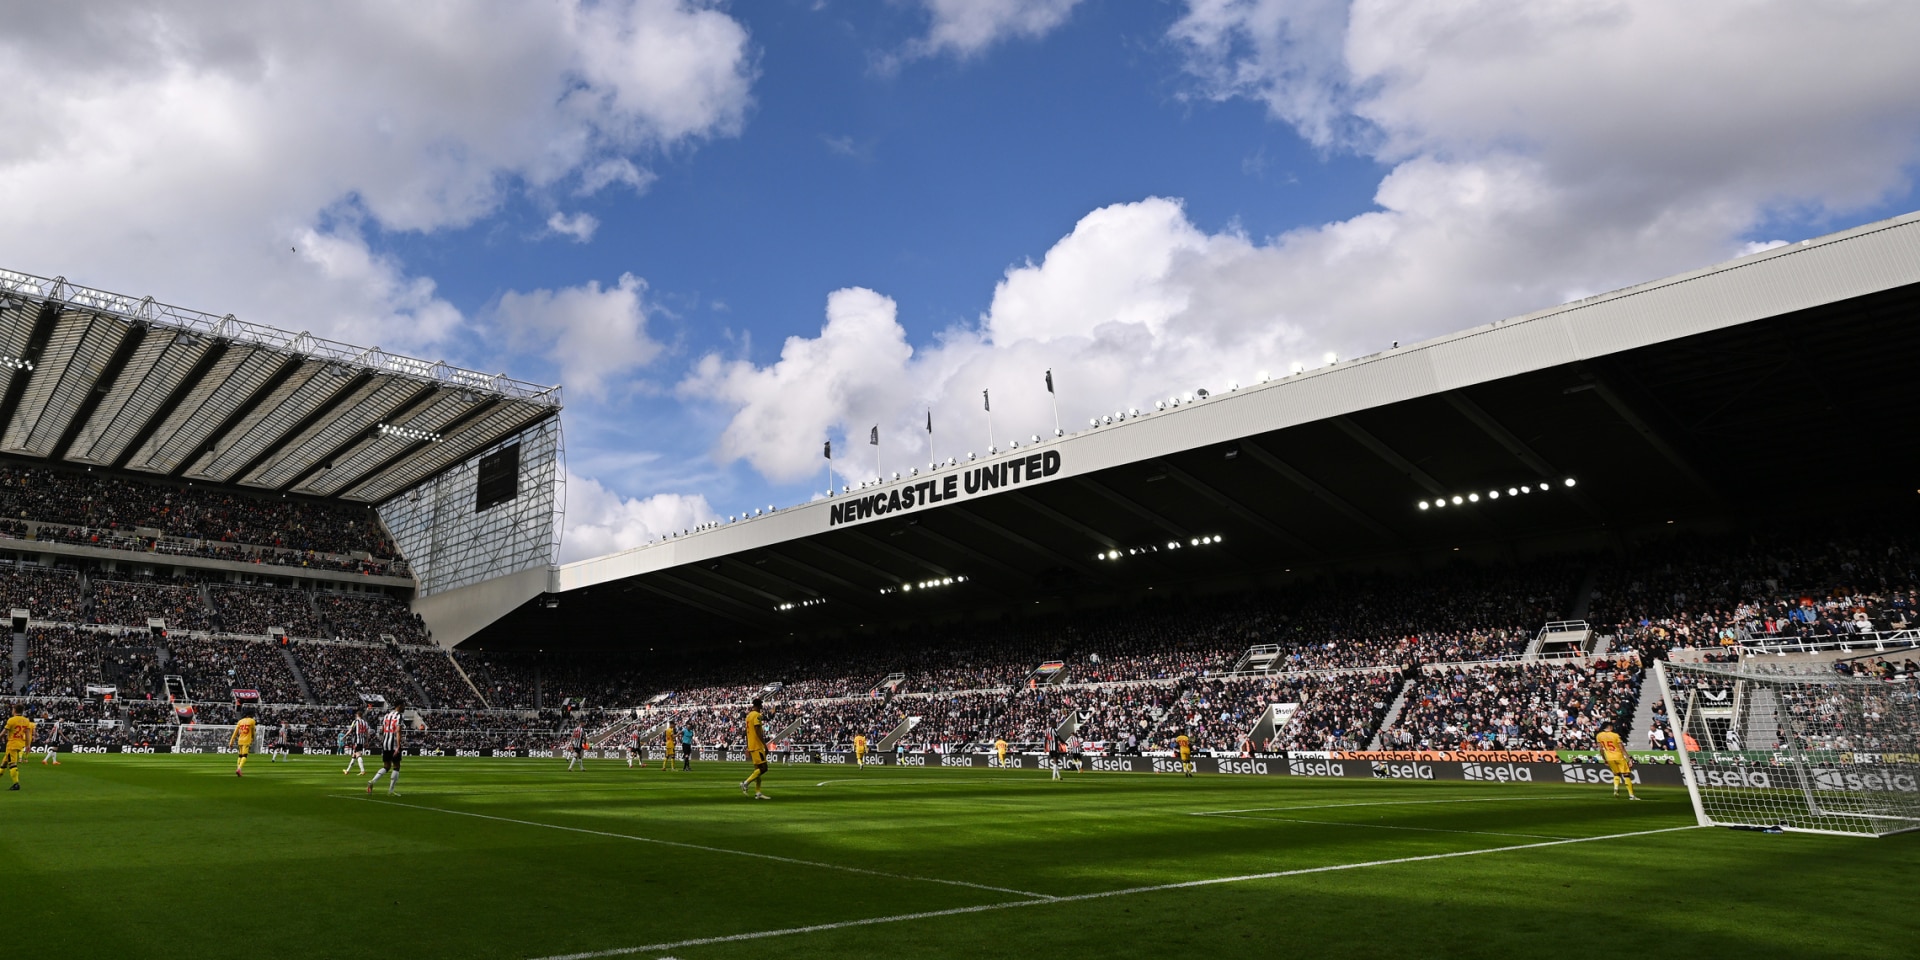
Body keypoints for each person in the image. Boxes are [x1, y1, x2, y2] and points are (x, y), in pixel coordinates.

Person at [367, 701, 405, 796]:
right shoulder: (399, 716)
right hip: (394, 744)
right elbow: (398, 731)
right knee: (396, 766)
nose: (404, 708)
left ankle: (372, 781)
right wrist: (399, 745)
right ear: (399, 706)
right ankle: (391, 791)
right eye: (403, 706)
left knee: (386, 766)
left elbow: (382, 730)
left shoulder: (386, 716)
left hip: (385, 744)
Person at [1596, 722, 1639, 799]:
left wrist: (1604, 758)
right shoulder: (1615, 735)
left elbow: (1601, 749)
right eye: (1612, 726)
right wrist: (1629, 759)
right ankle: (1631, 795)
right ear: (1609, 727)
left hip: (1609, 758)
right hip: (1619, 756)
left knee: (1616, 774)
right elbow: (1622, 748)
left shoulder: (1599, 736)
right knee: (1626, 775)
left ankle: (1616, 788)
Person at [740, 697, 770, 799]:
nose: (761, 707)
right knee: (764, 768)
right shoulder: (757, 715)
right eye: (761, 705)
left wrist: (748, 746)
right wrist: (765, 745)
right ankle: (746, 783)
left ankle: (758, 792)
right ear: (758, 705)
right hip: (757, 746)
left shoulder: (748, 716)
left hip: (752, 745)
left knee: (757, 770)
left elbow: (748, 733)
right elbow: (757, 731)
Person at [5, 704, 35, 791]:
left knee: (12, 764)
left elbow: (5, 732)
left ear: (14, 710)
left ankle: (16, 784)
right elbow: (28, 734)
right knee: (4, 763)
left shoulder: (11, 720)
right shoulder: (26, 720)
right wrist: (28, 745)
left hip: (12, 744)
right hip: (20, 743)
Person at [229, 709, 257, 777]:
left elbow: (235, 733)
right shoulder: (252, 721)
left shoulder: (240, 721)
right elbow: (253, 731)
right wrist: (253, 738)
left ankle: (238, 769)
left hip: (240, 740)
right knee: (245, 756)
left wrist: (231, 742)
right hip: (246, 740)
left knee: (240, 755)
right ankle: (239, 769)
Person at [343, 709, 371, 775]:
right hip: (362, 740)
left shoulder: (355, 721)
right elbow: (367, 733)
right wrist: (367, 741)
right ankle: (347, 771)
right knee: (354, 755)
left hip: (356, 740)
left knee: (358, 754)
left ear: (357, 715)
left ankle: (362, 770)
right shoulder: (365, 722)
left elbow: (350, 730)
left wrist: (344, 736)